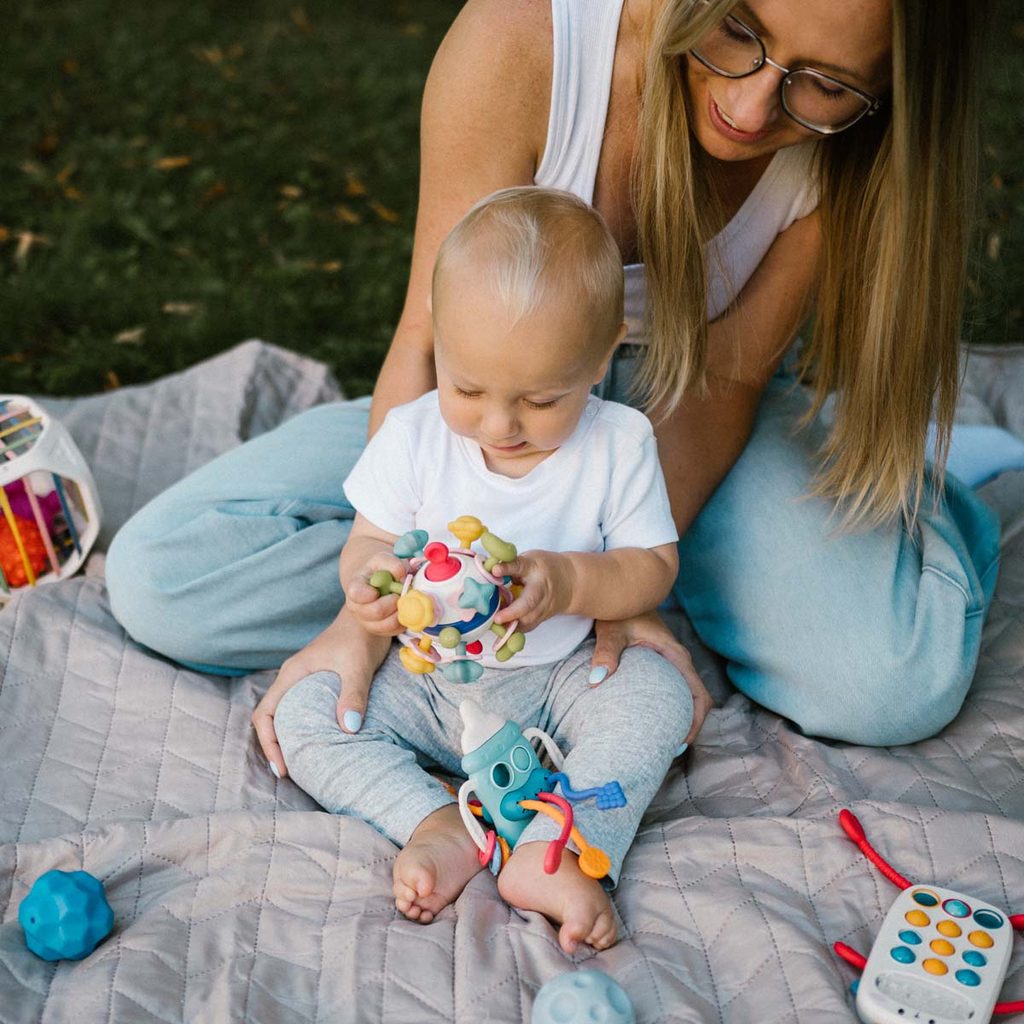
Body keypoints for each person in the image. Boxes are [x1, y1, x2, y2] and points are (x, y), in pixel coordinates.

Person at [106, 0, 998, 767]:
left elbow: (724, 382)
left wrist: (618, 577)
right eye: (736, 30)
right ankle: (651, 589)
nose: (752, 105)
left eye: (825, 85)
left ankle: (927, 510)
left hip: (687, 412)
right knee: (166, 580)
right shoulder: (526, 40)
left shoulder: (845, 149)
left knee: (892, 682)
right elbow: (426, 336)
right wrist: (378, 609)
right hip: (478, 402)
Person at [271, 187, 693, 953]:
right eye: (467, 388)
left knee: (659, 695)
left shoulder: (619, 442)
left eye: (542, 399)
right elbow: (368, 541)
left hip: (560, 682)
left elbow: (652, 567)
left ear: (605, 354)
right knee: (306, 714)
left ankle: (554, 850)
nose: (499, 424)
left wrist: (571, 583)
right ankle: (439, 824)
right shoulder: (413, 434)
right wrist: (370, 582)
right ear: (440, 339)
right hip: (427, 683)